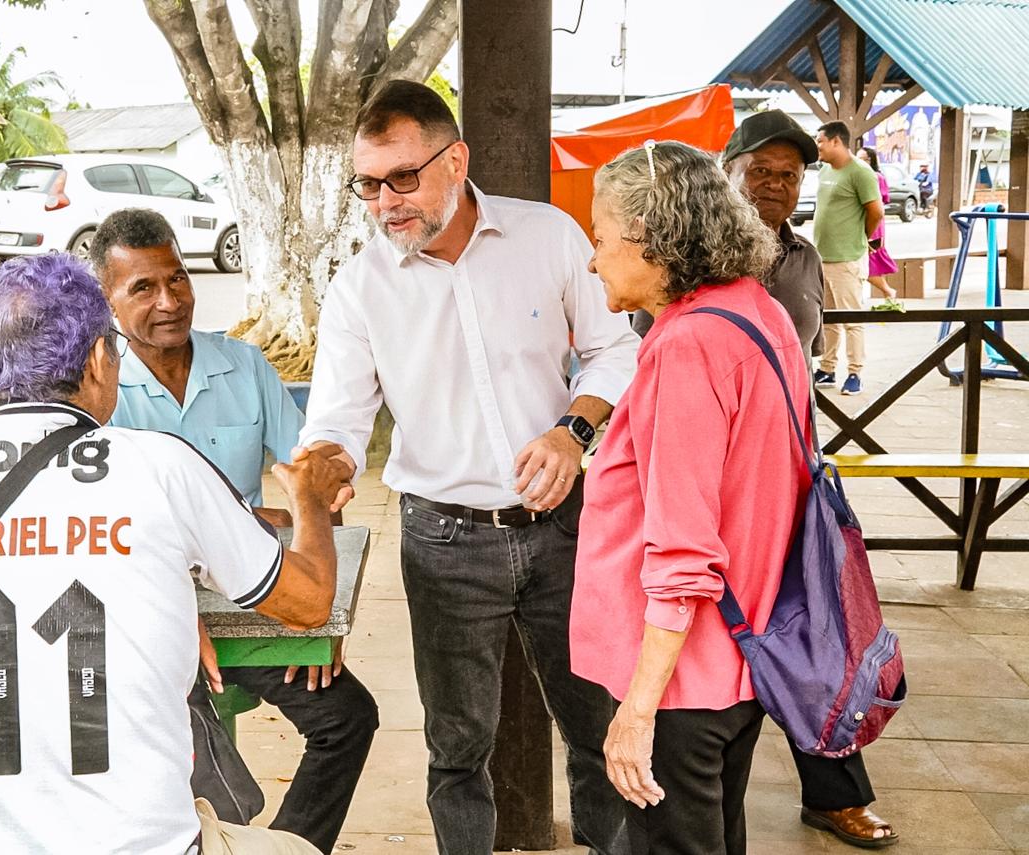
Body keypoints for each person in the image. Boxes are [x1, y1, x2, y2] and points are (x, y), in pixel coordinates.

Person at [0, 252, 342, 854]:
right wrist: (309, 502)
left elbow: (32, 547)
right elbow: (308, 603)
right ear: (98, 359)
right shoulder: (160, 463)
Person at [298, 79, 640, 855]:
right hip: (443, 542)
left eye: (402, 178)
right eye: (369, 184)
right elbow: (337, 421)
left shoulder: (548, 237)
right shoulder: (359, 288)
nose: (385, 202)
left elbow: (616, 350)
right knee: (457, 751)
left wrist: (570, 434)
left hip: (565, 529)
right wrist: (325, 468)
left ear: (456, 161)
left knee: (599, 729)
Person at [91, 207, 379, 855]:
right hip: (149, 610)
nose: (169, 301)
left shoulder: (244, 366)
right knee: (173, 744)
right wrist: (176, 609)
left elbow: (310, 484)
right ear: (106, 302)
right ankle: (214, 834)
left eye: (177, 279)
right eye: (142, 287)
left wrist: (321, 615)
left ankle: (285, 846)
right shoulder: (101, 387)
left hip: (261, 591)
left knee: (348, 715)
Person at [570, 140, 812, 855]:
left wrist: (638, 709)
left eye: (601, 237)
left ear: (650, 239)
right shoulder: (755, 310)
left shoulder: (688, 347)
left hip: (684, 679)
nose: (593, 258)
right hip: (741, 657)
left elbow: (682, 550)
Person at [720, 113, 897, 849]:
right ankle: (704, 812)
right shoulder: (688, 253)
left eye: (789, 174)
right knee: (710, 650)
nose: (775, 185)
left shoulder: (803, 257)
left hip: (792, 482)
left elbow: (806, 360)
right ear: (726, 170)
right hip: (714, 487)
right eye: (760, 169)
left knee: (817, 633)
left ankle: (834, 793)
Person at [812, 120, 884, 397]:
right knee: (828, 318)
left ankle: (855, 372)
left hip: (847, 259)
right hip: (822, 257)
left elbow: (875, 212)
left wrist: (860, 237)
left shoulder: (861, 173)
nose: (817, 146)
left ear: (836, 142)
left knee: (852, 319)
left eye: (820, 141)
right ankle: (828, 368)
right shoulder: (824, 171)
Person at [857, 146, 904, 310]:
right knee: (868, 263)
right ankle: (887, 293)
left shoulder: (875, 177)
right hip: (864, 222)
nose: (860, 161)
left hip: (873, 225)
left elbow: (880, 203)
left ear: (871, 160)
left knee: (867, 264)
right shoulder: (861, 175)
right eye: (858, 158)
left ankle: (888, 290)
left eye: (864, 158)